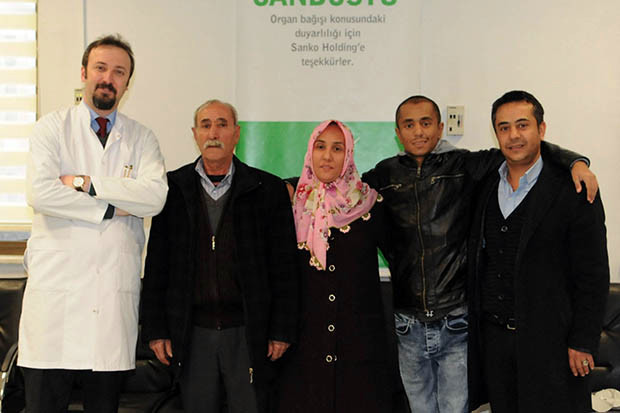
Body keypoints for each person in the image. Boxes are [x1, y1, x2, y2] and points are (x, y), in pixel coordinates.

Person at [362, 95, 598, 412]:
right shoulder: (384, 176)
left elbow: (525, 150)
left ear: (440, 128)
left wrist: (576, 161)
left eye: (426, 123)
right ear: (398, 132)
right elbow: (341, 187)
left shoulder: (465, 166)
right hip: (412, 323)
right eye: (409, 124)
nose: (418, 131)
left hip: (459, 321)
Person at [20, 34, 168, 412]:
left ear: (128, 83)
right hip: (55, 310)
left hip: (109, 311)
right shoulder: (51, 129)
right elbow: (41, 193)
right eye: (100, 68)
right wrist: (112, 208)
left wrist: (86, 184)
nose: (108, 78)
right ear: (84, 73)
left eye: (119, 72)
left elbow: (154, 197)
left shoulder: (142, 138)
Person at [140, 99, 299, 413]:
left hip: (249, 332)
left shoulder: (266, 189)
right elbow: (157, 265)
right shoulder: (172, 189)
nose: (214, 133)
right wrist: (156, 330)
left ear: (236, 134)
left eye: (222, 124)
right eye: (206, 125)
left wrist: (281, 330)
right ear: (195, 134)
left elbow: (284, 267)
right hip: (192, 333)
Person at [467, 90, 609, 413]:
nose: (513, 135)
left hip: (554, 343)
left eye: (522, 125)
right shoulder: (484, 182)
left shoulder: (573, 188)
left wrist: (583, 341)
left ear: (541, 129)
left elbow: (593, 273)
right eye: (504, 128)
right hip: (496, 343)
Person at [277, 120, 408, 413]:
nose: (327, 156)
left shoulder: (371, 204)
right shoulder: (291, 203)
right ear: (310, 152)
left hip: (359, 344)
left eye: (337, 148)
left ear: (348, 155)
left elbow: (402, 259)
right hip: (304, 342)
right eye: (320, 147)